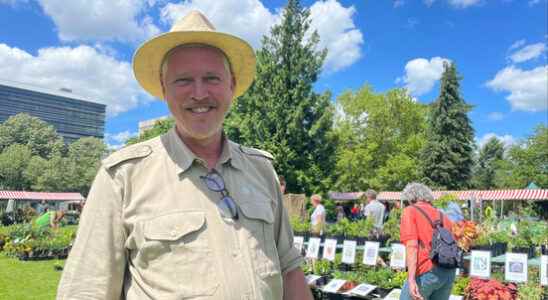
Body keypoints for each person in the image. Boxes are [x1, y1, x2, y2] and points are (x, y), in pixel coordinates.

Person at [57, 11, 312, 300]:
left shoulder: (261, 169)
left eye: (212, 78)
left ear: (232, 85)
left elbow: (290, 269)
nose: (199, 93)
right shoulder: (122, 176)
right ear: (164, 89)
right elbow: (86, 289)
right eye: (183, 80)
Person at [399, 183, 455, 300]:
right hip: (448, 272)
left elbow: (412, 246)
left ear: (410, 198)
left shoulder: (410, 211)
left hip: (426, 270)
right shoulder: (443, 216)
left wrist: (411, 279)